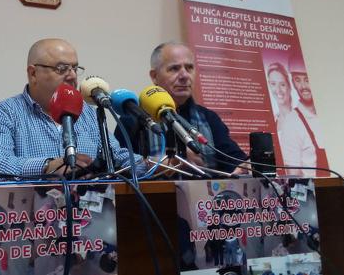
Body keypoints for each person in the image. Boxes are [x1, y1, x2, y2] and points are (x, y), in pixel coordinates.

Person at [0, 38, 140, 177]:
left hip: (88, 212)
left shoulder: (87, 113)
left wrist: (153, 164)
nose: (72, 76)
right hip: (32, 212)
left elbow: (117, 156)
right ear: (33, 74)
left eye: (75, 68)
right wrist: (48, 166)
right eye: (61, 69)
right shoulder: (5, 113)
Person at [116, 42, 247, 174]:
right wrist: (171, 162)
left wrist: (242, 169)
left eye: (189, 68)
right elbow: (119, 166)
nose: (184, 76)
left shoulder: (209, 118)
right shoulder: (132, 119)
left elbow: (236, 161)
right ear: (154, 76)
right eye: (174, 68)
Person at [277, 54, 329, 176]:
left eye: (307, 80)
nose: (303, 86)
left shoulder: (328, 116)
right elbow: (293, 176)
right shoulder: (292, 122)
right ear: (293, 83)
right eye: (297, 80)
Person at [266, 62, 293, 127]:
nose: (278, 90)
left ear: (289, 86)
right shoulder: (273, 121)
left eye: (282, 84)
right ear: (269, 84)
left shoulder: (299, 118)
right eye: (273, 84)